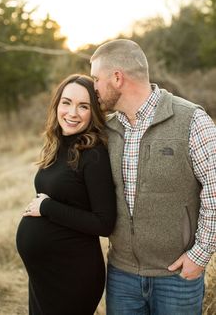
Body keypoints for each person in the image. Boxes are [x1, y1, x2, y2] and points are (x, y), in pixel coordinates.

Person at [90, 39, 216, 315]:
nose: (94, 88)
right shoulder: (107, 131)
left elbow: (215, 190)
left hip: (177, 276)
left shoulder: (192, 120)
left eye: (96, 79)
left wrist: (200, 254)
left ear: (117, 78)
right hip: (121, 275)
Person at [16, 74, 116, 315]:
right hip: (44, 276)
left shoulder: (94, 154)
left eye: (83, 106)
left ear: (93, 112)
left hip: (72, 276)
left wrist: (47, 208)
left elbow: (104, 223)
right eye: (67, 102)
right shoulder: (57, 144)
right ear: (57, 105)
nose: (72, 113)